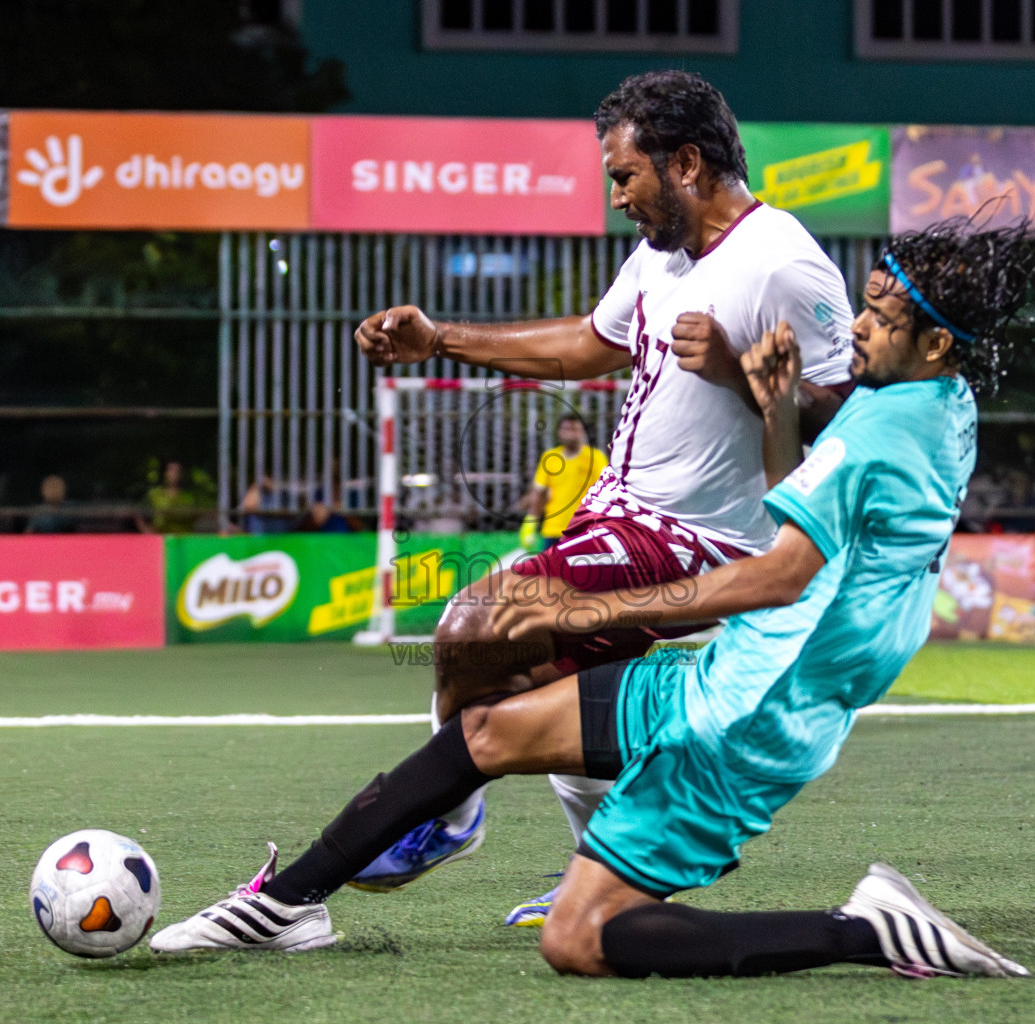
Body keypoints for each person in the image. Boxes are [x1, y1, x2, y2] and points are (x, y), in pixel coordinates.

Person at [150, 218, 1035, 981]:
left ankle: (864, 931)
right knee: (491, 731)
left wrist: (588, 614)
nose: (854, 327)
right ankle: (288, 903)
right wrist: (770, 409)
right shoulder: (943, 401)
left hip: (753, 716)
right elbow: (802, 523)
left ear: (936, 343)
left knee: (578, 938)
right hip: (742, 674)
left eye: (880, 318)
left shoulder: (882, 420)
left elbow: (777, 574)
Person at [346, 70, 859, 916]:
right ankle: (611, 868)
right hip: (617, 516)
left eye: (626, 175)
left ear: (687, 163)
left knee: (475, 625)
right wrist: (441, 338)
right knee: (554, 694)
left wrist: (740, 374)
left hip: (695, 540)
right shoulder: (663, 255)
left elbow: (845, 424)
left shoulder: (786, 265)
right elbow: (591, 343)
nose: (617, 195)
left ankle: (446, 811)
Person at [518, 414, 608, 552]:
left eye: (575, 429)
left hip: (584, 530)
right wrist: (530, 522)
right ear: (559, 432)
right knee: (548, 573)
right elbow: (539, 492)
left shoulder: (595, 458)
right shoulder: (550, 458)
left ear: (583, 432)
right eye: (566, 429)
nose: (571, 433)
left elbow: (606, 491)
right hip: (553, 529)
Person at [136, 460, 201, 534]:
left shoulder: (190, 497)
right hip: (161, 538)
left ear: (181, 474)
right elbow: (138, 511)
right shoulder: (154, 494)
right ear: (165, 473)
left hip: (185, 538)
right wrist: (145, 529)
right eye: (171, 470)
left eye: (177, 471)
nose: (174, 474)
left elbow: (197, 516)